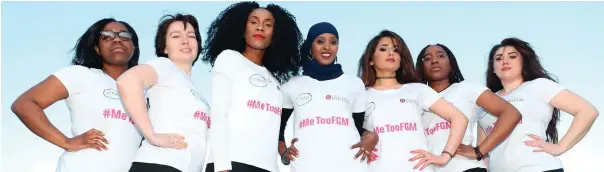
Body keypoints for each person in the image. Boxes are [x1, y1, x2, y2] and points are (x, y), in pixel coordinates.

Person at [11, 18, 142, 172]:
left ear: (134, 47)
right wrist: (66, 142)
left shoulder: (144, 91)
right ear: (97, 49)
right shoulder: (80, 74)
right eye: (107, 36)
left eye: (124, 36)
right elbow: (24, 104)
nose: (117, 40)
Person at [201, 1, 303, 172]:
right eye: (254, 22)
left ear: (275, 35)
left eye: (268, 24)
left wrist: (284, 155)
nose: (260, 28)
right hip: (231, 164)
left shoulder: (275, 82)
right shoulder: (229, 59)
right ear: (242, 28)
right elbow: (219, 115)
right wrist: (221, 166)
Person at [475, 37, 599, 172]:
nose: (505, 61)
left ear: (524, 62)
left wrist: (559, 147)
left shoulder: (539, 86)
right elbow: (483, 152)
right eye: (498, 59)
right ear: (493, 68)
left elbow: (587, 111)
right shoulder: (485, 103)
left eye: (512, 57)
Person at [357, 30, 469, 172]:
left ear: (401, 58)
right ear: (371, 59)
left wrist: (445, 156)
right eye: (383, 49)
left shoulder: (418, 90)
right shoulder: (360, 95)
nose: (391, 53)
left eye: (396, 50)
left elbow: (459, 118)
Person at [277, 22, 378, 172]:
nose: (327, 47)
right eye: (320, 41)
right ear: (310, 47)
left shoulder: (354, 84)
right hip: (306, 166)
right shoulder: (292, 84)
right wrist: (284, 154)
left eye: (333, 42)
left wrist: (372, 137)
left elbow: (358, 127)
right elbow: (278, 126)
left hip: (350, 165)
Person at [116, 14, 209, 172]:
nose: (185, 41)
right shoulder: (164, 65)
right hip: (159, 164)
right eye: (176, 36)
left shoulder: (199, 94)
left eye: (191, 36)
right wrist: (152, 136)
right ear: (164, 48)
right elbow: (127, 81)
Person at [415, 44, 522, 172]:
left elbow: (511, 113)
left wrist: (479, 151)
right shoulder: (416, 99)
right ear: (420, 68)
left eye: (441, 56)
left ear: (451, 63)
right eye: (427, 58)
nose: (434, 60)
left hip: (466, 168)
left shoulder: (465, 88)